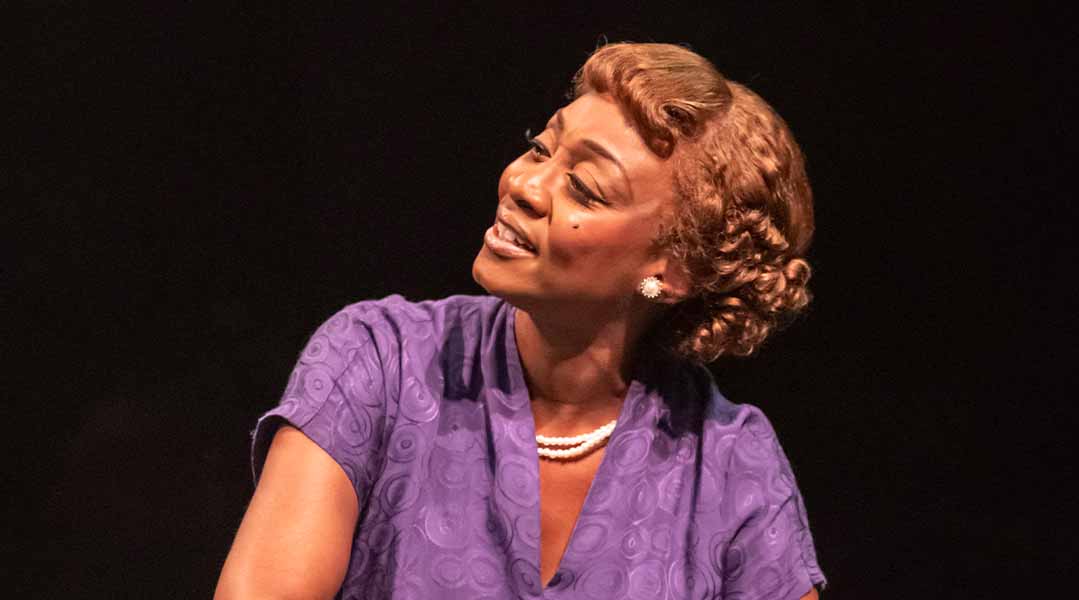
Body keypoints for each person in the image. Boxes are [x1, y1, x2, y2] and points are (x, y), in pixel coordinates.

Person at [215, 41, 827, 599]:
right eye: (540, 148)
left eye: (585, 188)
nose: (525, 184)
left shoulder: (728, 463)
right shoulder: (380, 360)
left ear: (674, 272)